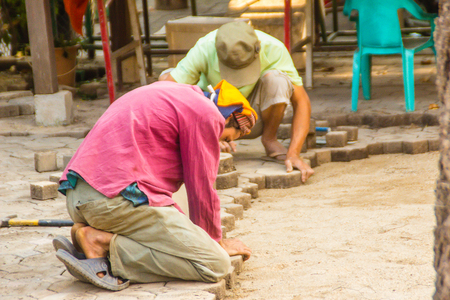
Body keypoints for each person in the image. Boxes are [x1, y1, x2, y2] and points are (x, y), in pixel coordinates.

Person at [53, 80, 254, 291]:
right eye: (229, 136)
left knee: (173, 236)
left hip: (78, 198)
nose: (224, 142)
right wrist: (216, 243)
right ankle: (101, 243)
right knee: (215, 263)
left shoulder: (172, 92)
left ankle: (91, 231)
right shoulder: (207, 113)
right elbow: (202, 188)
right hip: (116, 201)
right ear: (230, 116)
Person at [159, 21, 314, 183]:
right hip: (214, 116)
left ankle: (269, 138)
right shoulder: (205, 47)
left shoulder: (274, 48)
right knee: (166, 81)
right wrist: (204, 135)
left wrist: (294, 154)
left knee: (277, 80)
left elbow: (302, 101)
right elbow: (163, 95)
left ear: (258, 47)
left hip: (254, 117)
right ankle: (211, 140)